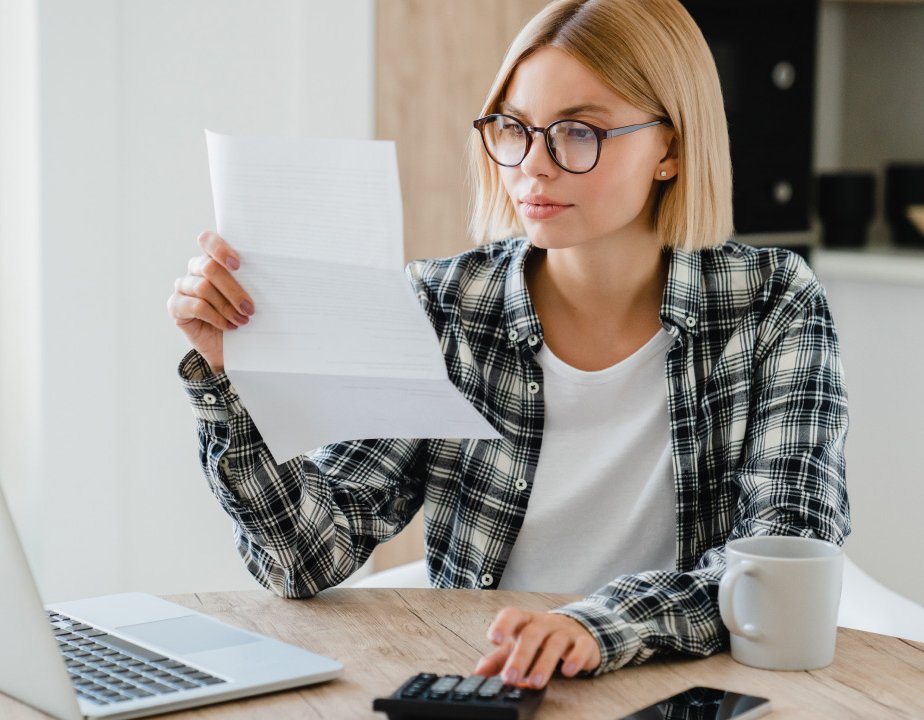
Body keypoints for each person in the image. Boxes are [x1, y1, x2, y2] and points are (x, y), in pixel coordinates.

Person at [166, 0, 850, 692]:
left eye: (578, 132)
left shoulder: (772, 303)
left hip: (686, 691)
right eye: (515, 128)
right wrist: (227, 380)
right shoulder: (446, 305)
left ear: (669, 150)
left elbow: (784, 559)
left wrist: (596, 628)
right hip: (492, 685)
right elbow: (306, 556)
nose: (533, 166)